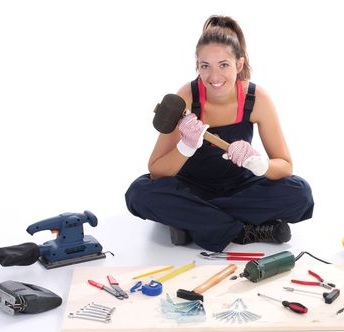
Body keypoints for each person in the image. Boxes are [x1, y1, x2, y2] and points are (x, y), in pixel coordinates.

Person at [125, 15, 314, 252]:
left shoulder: (257, 100)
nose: (214, 77)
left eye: (223, 65)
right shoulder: (186, 97)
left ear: (240, 64)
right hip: (190, 187)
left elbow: (285, 166)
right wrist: (185, 148)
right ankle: (245, 229)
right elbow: (156, 170)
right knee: (138, 194)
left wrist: (259, 164)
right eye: (205, 66)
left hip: (240, 187)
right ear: (198, 65)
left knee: (300, 193)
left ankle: (194, 221)